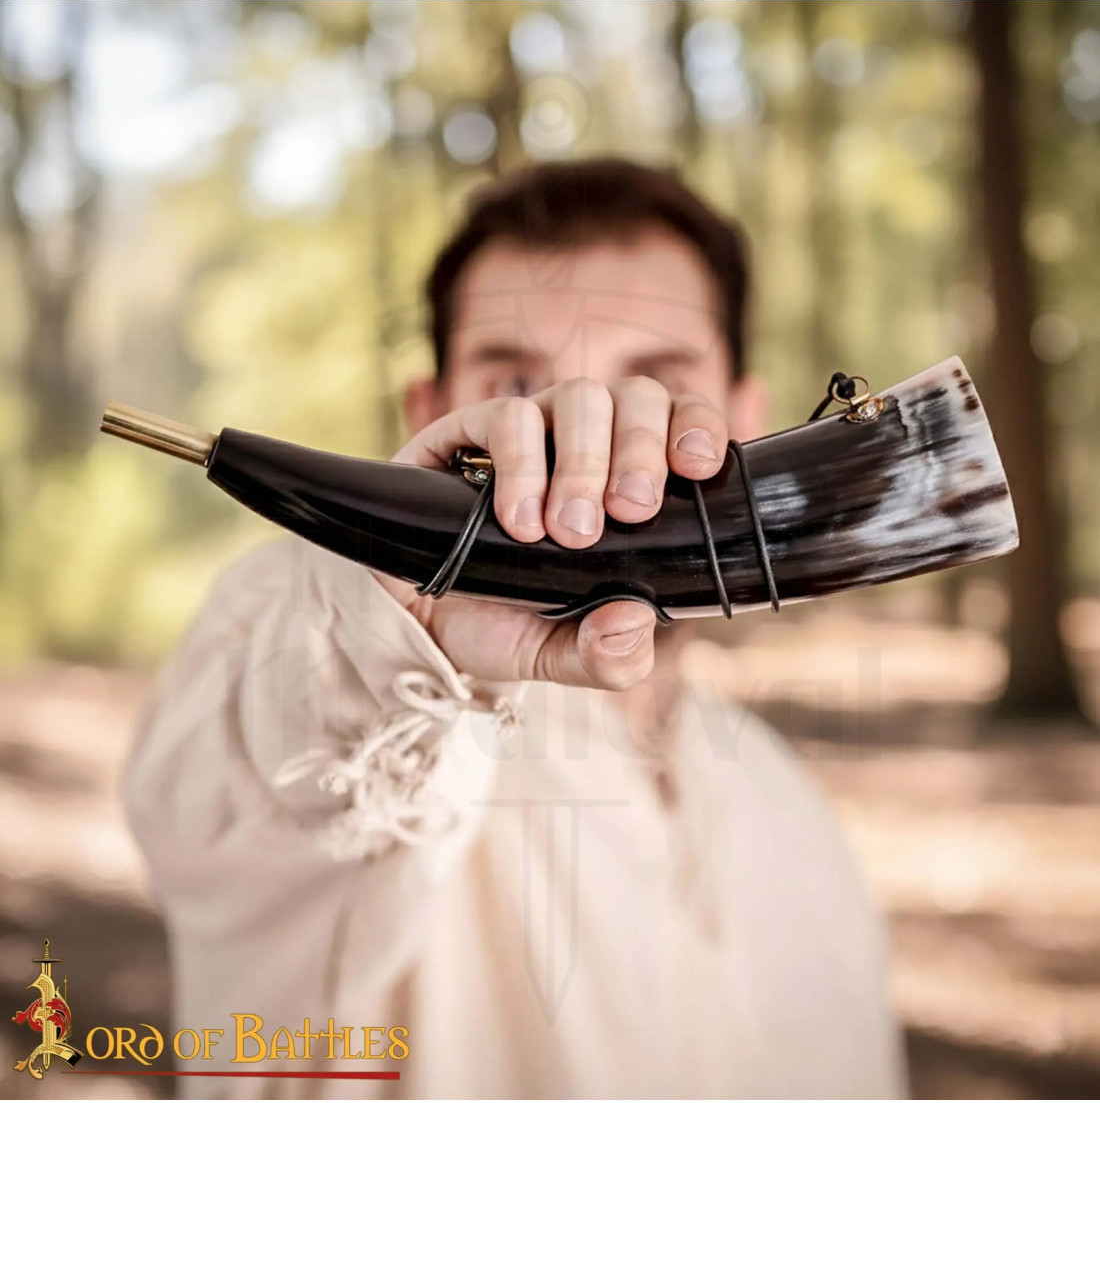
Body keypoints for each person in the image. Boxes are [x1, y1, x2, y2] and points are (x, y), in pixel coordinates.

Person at [124, 157, 906, 1099]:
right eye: (517, 386)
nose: (586, 440)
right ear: (431, 419)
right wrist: (389, 601)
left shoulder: (793, 812)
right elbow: (268, 756)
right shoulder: (340, 694)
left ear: (749, 423)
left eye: (657, 386)